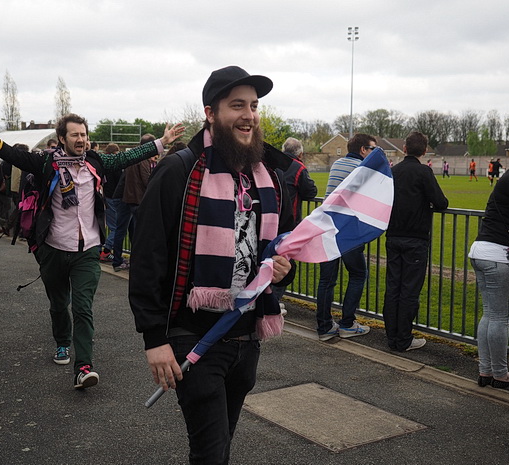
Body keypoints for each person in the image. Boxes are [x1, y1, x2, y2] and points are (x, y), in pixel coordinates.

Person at [129, 65, 296, 464]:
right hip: (193, 336)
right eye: (237, 105)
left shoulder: (266, 177)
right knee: (209, 453)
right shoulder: (180, 170)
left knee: (219, 448)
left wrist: (283, 268)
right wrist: (154, 338)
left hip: (246, 335)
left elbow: (279, 246)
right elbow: (148, 255)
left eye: (254, 106)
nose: (249, 115)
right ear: (210, 113)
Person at [0, 106, 184, 389]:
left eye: (84, 135)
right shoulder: (45, 164)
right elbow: (12, 154)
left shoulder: (95, 162)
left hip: (87, 249)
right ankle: (62, 342)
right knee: (59, 303)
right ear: (62, 138)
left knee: (83, 307)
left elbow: (127, 157)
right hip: (53, 247)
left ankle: (84, 366)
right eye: (75, 135)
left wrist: (162, 142)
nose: (81, 139)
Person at [382, 132, 449, 352]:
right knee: (409, 290)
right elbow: (441, 202)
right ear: (424, 150)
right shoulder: (423, 172)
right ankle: (403, 339)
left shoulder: (393, 172)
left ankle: (392, 336)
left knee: (393, 287)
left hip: (393, 236)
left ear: (404, 148)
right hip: (415, 239)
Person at [316, 134, 376, 341]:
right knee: (359, 275)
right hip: (348, 231)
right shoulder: (363, 170)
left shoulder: (338, 164)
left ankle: (324, 327)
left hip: (327, 227)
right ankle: (347, 324)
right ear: (362, 150)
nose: (374, 154)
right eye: (372, 149)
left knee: (326, 280)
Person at [469, 150, 509, 390]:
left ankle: (486, 371)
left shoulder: (507, 178)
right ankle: (500, 374)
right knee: (499, 317)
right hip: (500, 256)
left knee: (490, 314)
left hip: (481, 251)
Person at [271, 137, 317, 312]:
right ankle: (272, 303)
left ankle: (268, 300)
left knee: (267, 260)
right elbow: (311, 191)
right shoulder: (298, 167)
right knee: (285, 264)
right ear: (300, 153)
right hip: (286, 224)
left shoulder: (272, 162)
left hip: (267, 219)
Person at [111, 134, 156, 272]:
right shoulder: (142, 159)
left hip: (127, 198)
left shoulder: (133, 156)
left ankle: (122, 259)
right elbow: (146, 179)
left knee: (126, 231)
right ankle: (124, 261)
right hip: (135, 200)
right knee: (133, 232)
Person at [100, 143, 121, 262]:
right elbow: (119, 180)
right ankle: (106, 250)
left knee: (110, 225)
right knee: (116, 227)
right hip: (114, 197)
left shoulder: (103, 165)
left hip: (107, 196)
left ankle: (102, 249)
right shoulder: (115, 166)